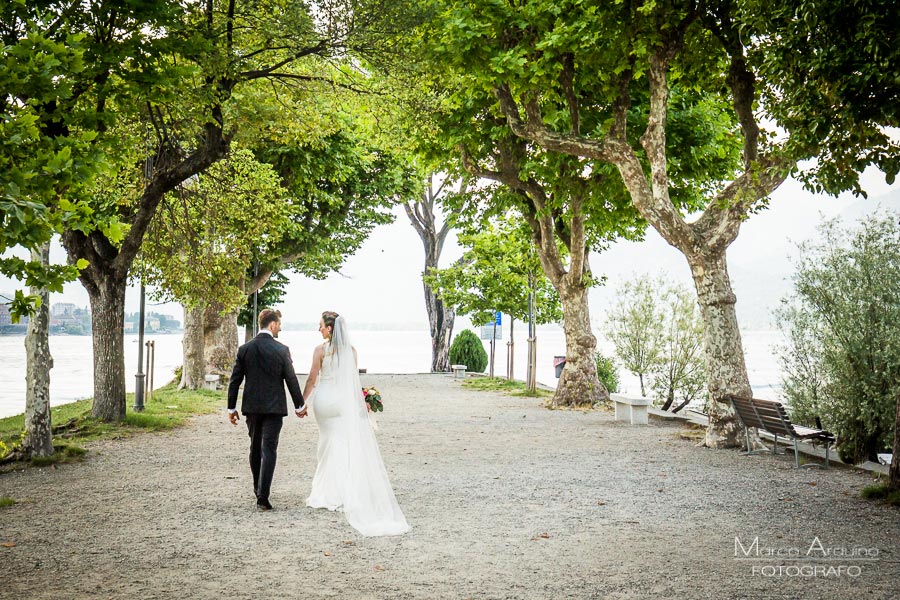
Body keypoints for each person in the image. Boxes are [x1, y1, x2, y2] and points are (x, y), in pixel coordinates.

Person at [303, 311, 409, 536]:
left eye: (320, 325)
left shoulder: (320, 351)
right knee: (341, 444)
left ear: (330, 329)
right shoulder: (351, 351)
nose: (318, 329)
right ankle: (342, 490)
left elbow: (312, 378)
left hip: (323, 402)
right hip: (342, 403)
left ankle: (327, 491)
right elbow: (353, 381)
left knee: (326, 443)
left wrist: (301, 402)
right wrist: (362, 401)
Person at [227, 308, 307, 511]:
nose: (280, 327)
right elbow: (291, 379)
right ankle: (263, 495)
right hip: (274, 408)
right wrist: (300, 405)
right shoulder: (281, 350)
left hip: (252, 407)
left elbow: (235, 380)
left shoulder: (245, 349)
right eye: (279, 324)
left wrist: (231, 407)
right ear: (272, 325)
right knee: (269, 448)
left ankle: (257, 488)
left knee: (254, 447)